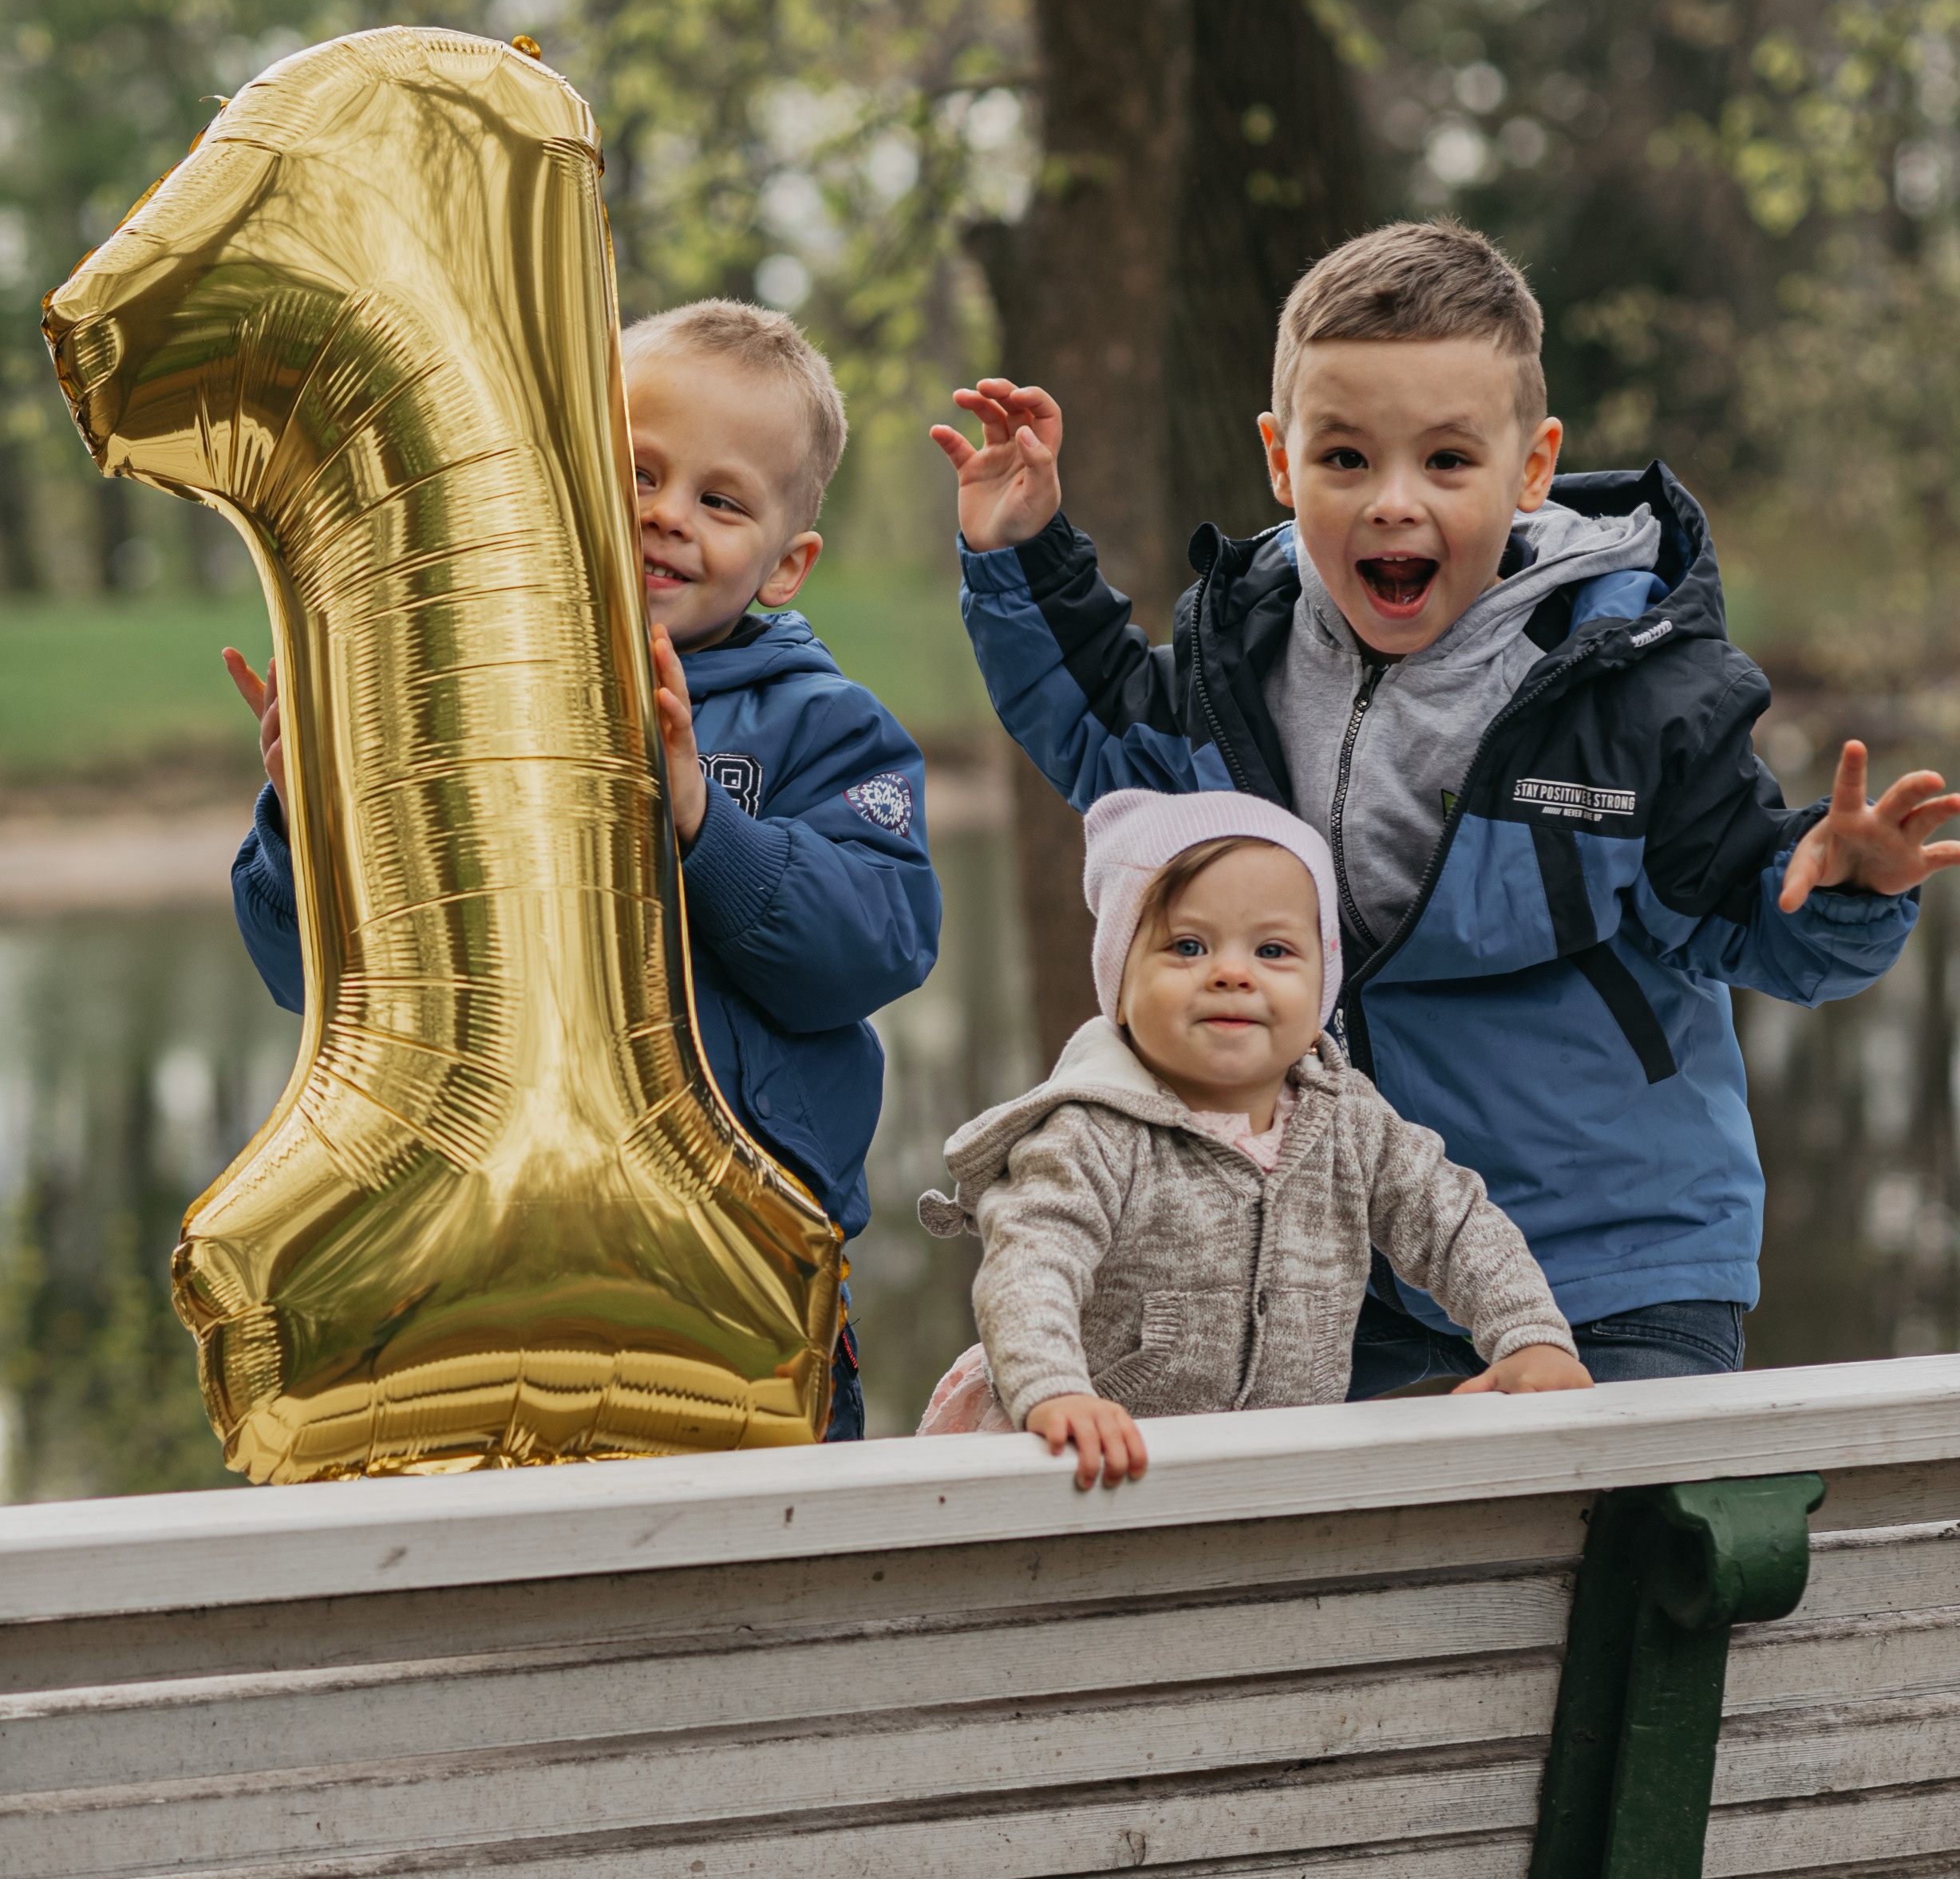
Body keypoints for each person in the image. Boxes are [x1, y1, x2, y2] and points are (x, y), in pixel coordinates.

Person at [931, 219, 1960, 1399]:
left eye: (1449, 463)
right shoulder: (1247, 659)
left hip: (1614, 1260)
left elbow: (1744, 906)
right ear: (1281, 459)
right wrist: (1021, 551)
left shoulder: (1631, 686)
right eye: (1347, 460)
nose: (1394, 505)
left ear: (1531, 466)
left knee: (1616, 1568)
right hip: (1342, 1259)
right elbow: (1109, 731)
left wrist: (1843, 886)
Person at [224, 298, 942, 1440]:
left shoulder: (827, 727)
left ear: (785, 561)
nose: (664, 517)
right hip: (509, 1275)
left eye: (719, 500)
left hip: (747, 1273)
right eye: (637, 473)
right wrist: (312, 813)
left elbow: (878, 946)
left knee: (777, 1571)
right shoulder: (469, 700)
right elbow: (315, 984)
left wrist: (705, 822)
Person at [919, 789, 1590, 1486]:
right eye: (1187, 947)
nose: (1231, 973)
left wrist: (1529, 1336)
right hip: (1090, 1468)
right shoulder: (1091, 1133)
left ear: (1323, 980)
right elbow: (1031, 1268)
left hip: (1274, 1468)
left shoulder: (1348, 1122)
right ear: (1119, 984)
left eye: (1273, 950)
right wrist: (1054, 1390)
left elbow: (1453, 1224)